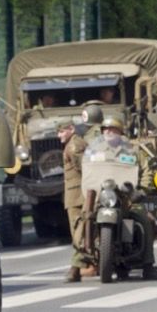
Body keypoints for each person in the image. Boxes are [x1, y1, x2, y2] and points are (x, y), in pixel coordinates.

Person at [86, 116, 157, 280]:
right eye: (105, 129)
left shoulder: (132, 150)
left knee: (144, 219)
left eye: (113, 129)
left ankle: (148, 265)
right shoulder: (97, 151)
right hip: (105, 197)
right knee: (85, 219)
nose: (109, 132)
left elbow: (147, 171)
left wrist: (141, 190)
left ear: (120, 132)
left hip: (128, 198)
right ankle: (85, 260)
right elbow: (90, 171)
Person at [63, 105, 103, 282]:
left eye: (61, 131)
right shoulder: (90, 138)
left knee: (80, 230)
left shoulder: (77, 143)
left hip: (80, 194)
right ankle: (89, 264)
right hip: (83, 192)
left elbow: (84, 168)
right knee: (84, 230)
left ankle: (76, 267)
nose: (58, 135)